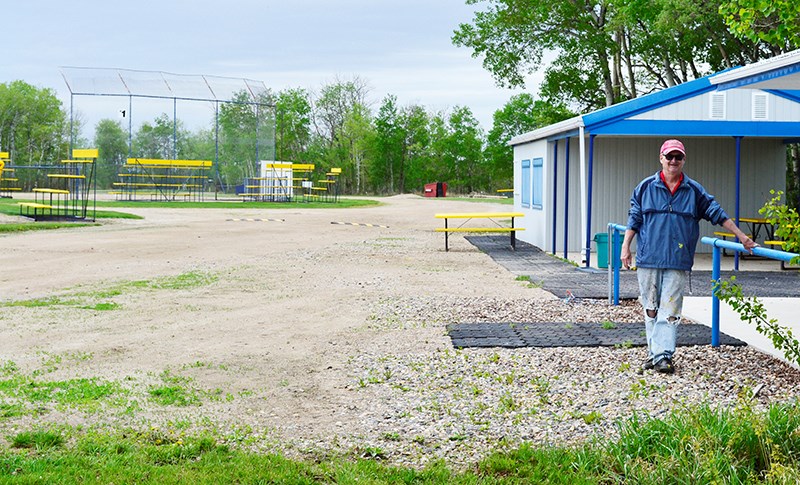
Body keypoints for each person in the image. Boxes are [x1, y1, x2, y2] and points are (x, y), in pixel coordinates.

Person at [620, 139, 757, 374]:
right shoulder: (645, 188)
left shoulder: (694, 190)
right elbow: (634, 218)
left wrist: (742, 237)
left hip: (678, 259)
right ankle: (655, 353)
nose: (673, 161)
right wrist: (626, 247)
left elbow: (717, 213)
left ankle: (663, 355)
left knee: (670, 310)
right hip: (648, 258)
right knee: (651, 308)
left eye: (678, 157)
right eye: (669, 156)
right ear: (661, 158)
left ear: (684, 160)